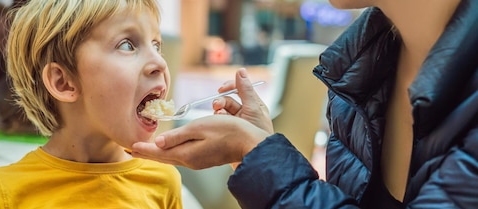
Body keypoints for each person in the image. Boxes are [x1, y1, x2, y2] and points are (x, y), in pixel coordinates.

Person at [131, 0, 478, 208]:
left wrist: (260, 155)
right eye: (128, 45)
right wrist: (255, 154)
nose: (157, 65)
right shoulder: (360, 71)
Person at [0, 0, 183, 208]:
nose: (160, 63)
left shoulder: (162, 182)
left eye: (157, 45)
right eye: (127, 45)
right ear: (63, 82)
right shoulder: (3, 195)